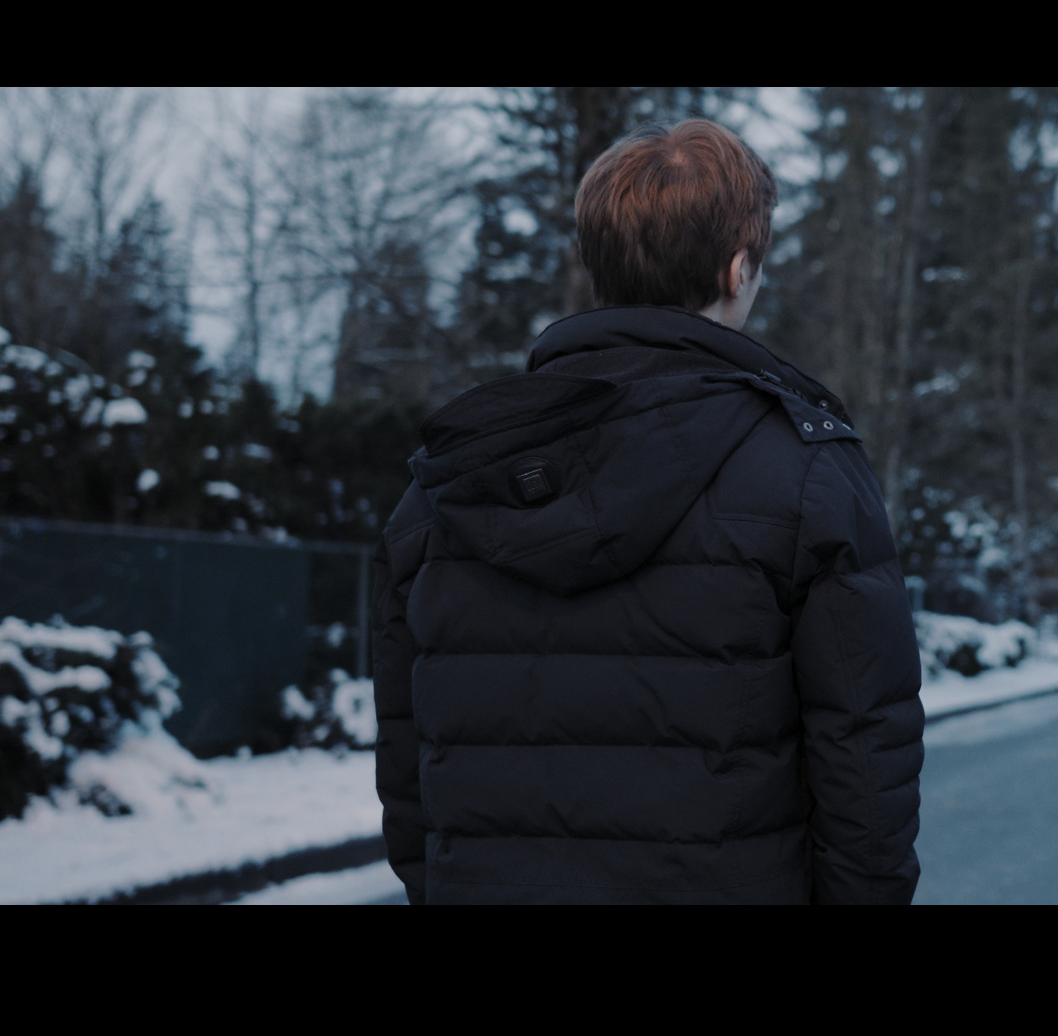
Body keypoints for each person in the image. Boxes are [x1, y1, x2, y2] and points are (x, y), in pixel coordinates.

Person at [371, 118, 923, 904]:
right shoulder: (807, 472)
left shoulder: (444, 482)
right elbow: (863, 760)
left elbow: (408, 767)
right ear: (738, 268)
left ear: (597, 261)